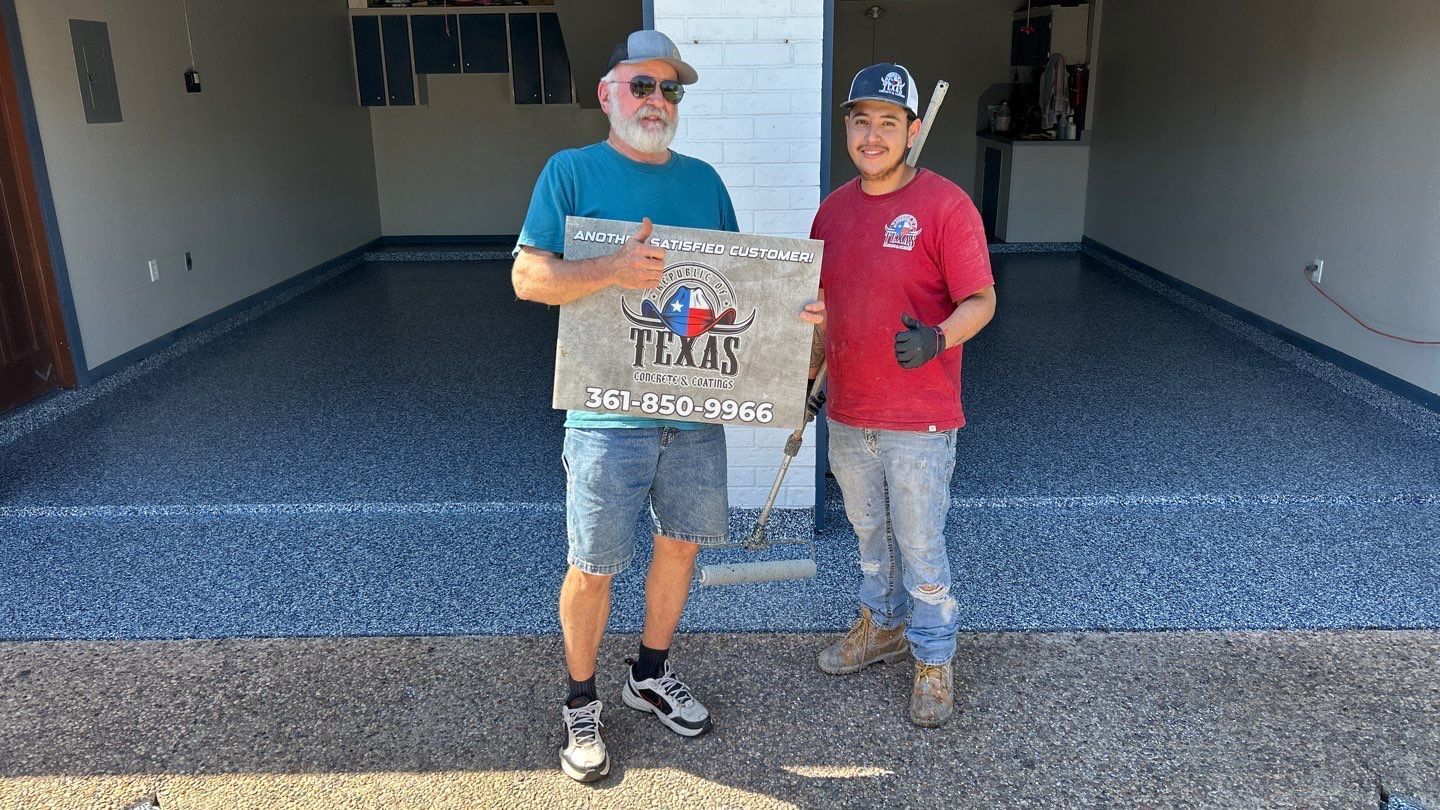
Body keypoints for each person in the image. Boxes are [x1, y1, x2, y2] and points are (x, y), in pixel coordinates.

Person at [511, 30, 823, 782]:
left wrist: (793, 316)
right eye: (643, 85)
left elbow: (736, 289)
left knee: (681, 544)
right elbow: (529, 278)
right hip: (605, 414)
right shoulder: (570, 172)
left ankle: (648, 673)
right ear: (607, 93)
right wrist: (611, 267)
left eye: (670, 89)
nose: (658, 101)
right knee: (593, 565)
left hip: (691, 412)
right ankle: (580, 700)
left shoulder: (704, 181)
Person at [808, 63, 997, 728]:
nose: (872, 134)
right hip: (851, 410)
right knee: (869, 536)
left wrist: (940, 338)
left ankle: (934, 656)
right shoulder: (832, 211)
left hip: (919, 418)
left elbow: (983, 298)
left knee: (920, 543)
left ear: (912, 131)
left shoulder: (946, 206)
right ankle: (882, 626)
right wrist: (809, 380)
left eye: (888, 121)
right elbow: (824, 311)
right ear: (848, 129)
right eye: (861, 120)